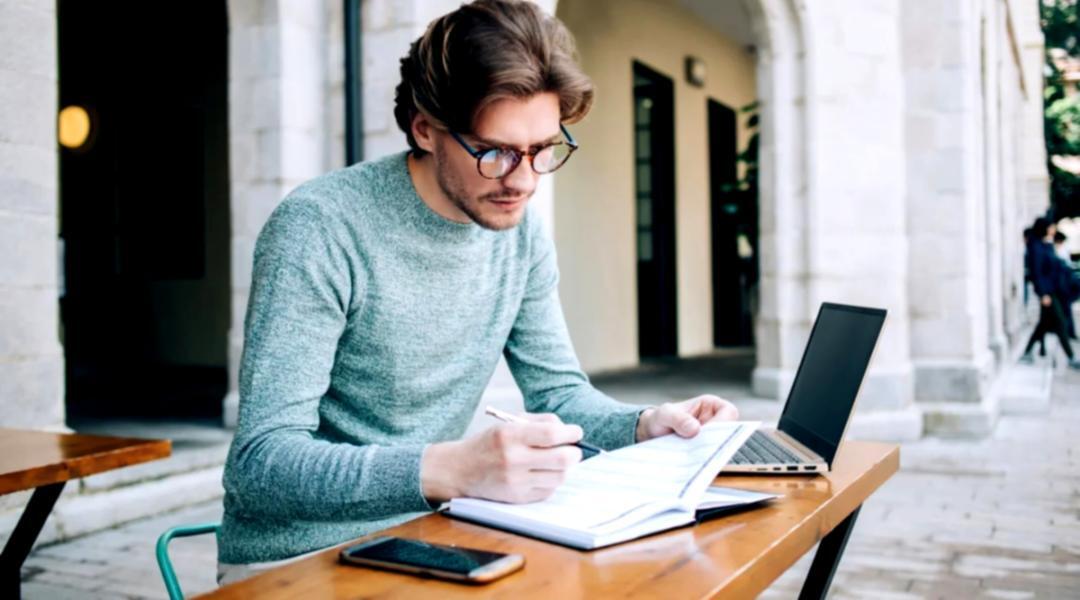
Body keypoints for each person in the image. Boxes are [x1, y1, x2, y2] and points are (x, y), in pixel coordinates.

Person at [216, 0, 740, 585]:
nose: (524, 180)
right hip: (294, 559)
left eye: (543, 149)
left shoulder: (520, 235)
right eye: (495, 152)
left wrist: (645, 425)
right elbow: (260, 466)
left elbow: (560, 394)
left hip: (434, 536)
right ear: (424, 128)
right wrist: (453, 469)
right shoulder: (320, 227)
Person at [1020, 218, 1080, 368]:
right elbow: (1037, 273)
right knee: (1060, 322)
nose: (1053, 230)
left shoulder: (1046, 244)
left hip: (1054, 291)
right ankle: (1071, 357)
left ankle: (1027, 352)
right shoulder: (1035, 246)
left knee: (1044, 324)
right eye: (1051, 227)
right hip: (1047, 293)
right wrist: (1043, 294)